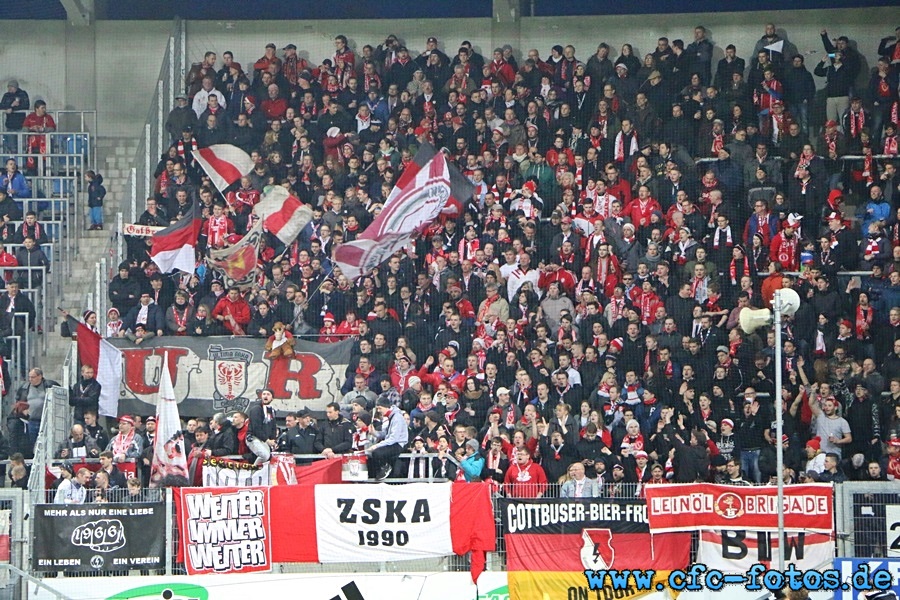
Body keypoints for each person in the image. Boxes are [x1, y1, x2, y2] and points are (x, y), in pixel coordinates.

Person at [366, 396, 408, 480]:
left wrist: (377, 446)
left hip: (398, 444)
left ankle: (385, 467)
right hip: (392, 443)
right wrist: (375, 433)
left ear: (386, 407)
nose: (378, 411)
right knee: (370, 455)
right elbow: (386, 434)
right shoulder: (391, 417)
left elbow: (393, 438)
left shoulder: (397, 418)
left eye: (379, 408)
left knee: (377, 453)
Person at [246, 388, 277, 465]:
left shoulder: (271, 410)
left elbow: (273, 427)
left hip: (264, 439)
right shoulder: (256, 409)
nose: (265, 396)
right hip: (254, 437)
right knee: (264, 455)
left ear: (272, 398)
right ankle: (253, 471)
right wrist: (267, 440)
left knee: (268, 458)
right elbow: (256, 428)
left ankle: (260, 473)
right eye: (264, 394)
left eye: (268, 394)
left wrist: (273, 440)